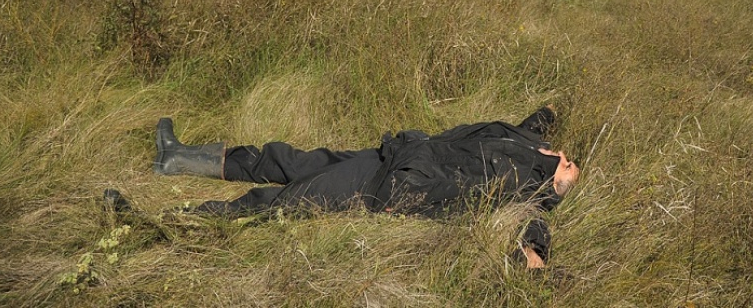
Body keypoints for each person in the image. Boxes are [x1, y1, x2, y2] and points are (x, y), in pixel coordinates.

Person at [116, 106, 577, 268]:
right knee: (282, 159)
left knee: (276, 203)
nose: (572, 164)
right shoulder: (527, 141)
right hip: (386, 155)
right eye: (571, 161)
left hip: (388, 189)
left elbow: (530, 229)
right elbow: (538, 117)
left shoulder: (526, 193)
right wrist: (555, 112)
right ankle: (176, 159)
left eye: (573, 172)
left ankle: (155, 227)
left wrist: (543, 229)